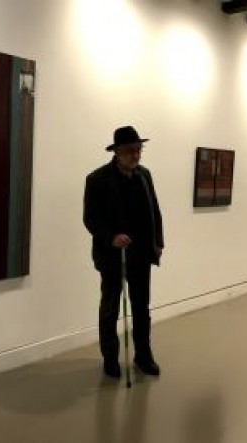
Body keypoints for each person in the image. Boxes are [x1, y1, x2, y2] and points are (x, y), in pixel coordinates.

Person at [83, 125, 164, 378]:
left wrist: (158, 242)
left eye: (139, 149)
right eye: (130, 150)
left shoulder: (145, 175)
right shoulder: (97, 179)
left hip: (140, 254)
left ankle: (143, 355)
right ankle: (110, 358)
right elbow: (90, 219)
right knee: (110, 308)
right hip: (112, 255)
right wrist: (111, 238)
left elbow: (154, 210)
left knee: (141, 307)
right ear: (117, 151)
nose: (136, 155)